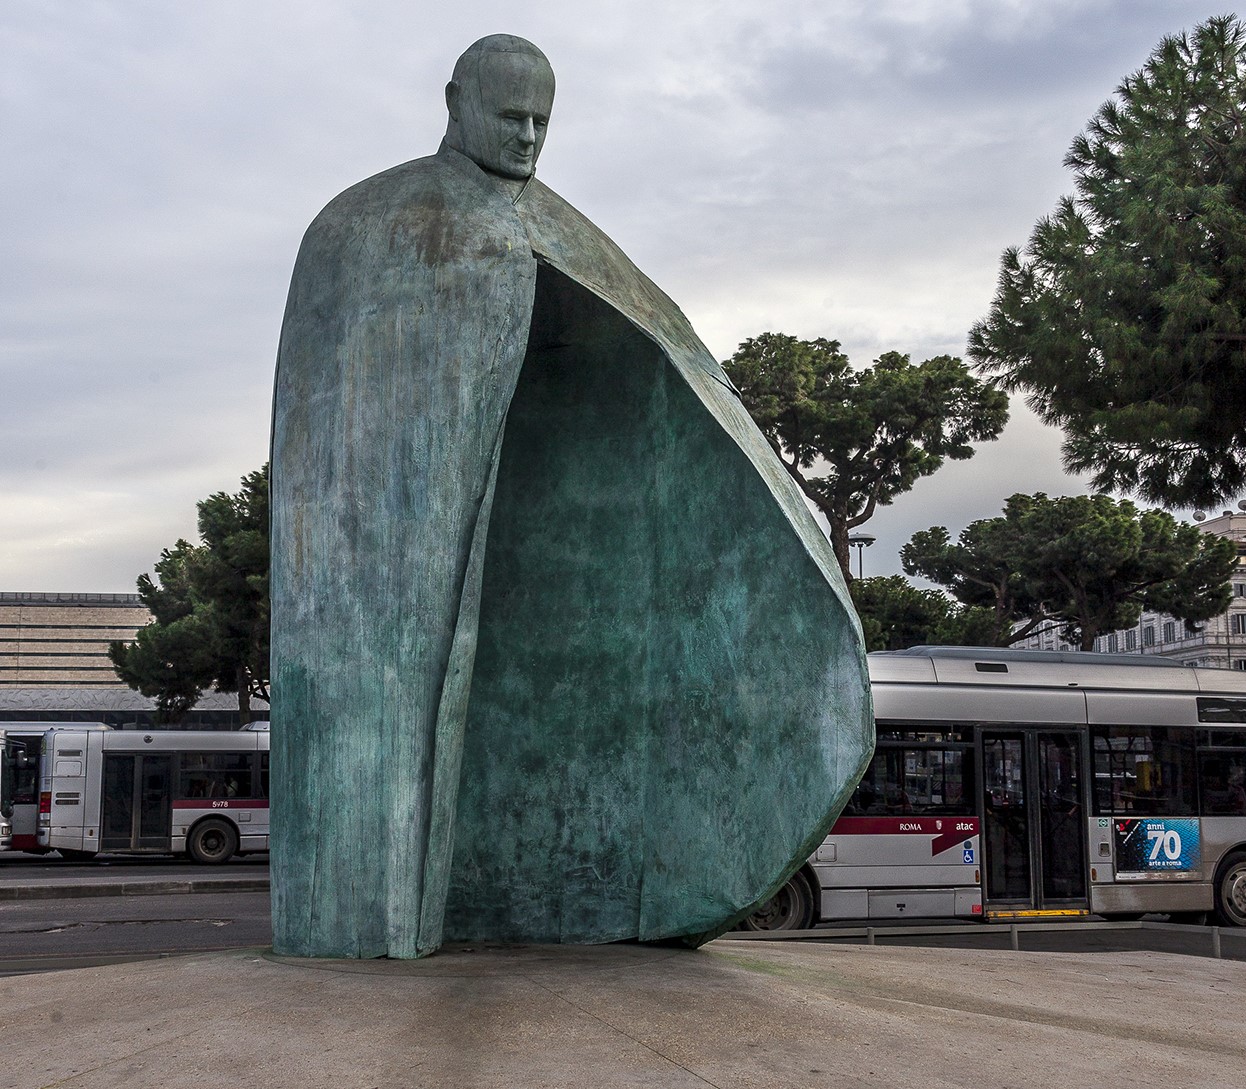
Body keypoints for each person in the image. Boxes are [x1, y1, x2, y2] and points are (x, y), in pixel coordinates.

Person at [270, 36, 871, 960]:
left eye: (542, 122)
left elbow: (684, 366)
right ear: (454, 101)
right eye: (510, 117)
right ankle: (379, 907)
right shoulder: (364, 223)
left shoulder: (569, 232)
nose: (527, 137)